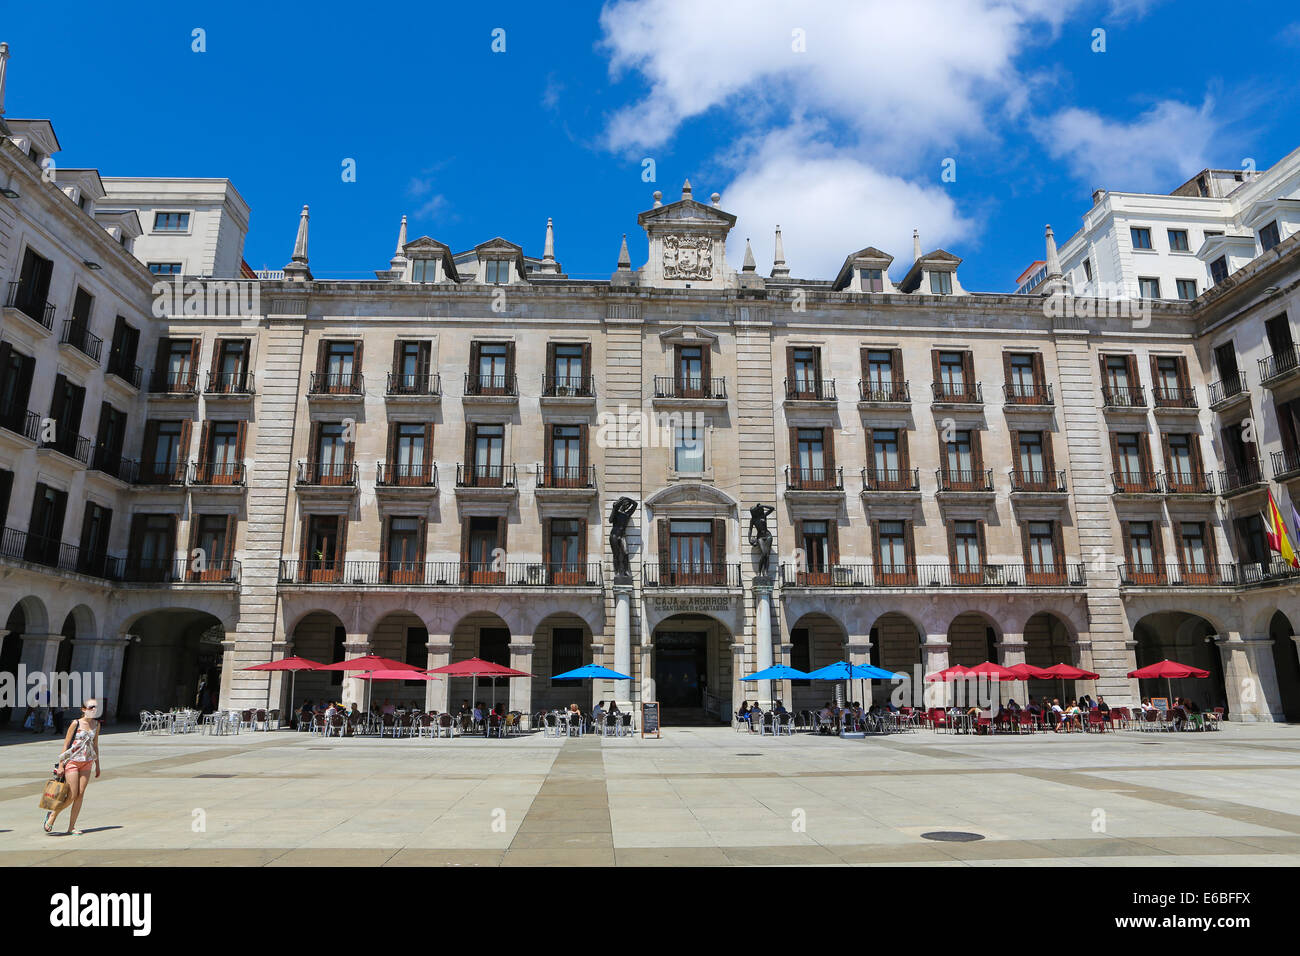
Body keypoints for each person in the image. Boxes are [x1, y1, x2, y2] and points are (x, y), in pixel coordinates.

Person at [46, 697, 101, 835]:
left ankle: (71, 827)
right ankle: (52, 815)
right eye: (91, 707)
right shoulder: (75, 723)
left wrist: (98, 765)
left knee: (80, 795)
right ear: (83, 709)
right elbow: (66, 744)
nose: (94, 710)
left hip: (87, 762)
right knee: (72, 795)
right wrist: (60, 765)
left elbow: (95, 745)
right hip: (72, 761)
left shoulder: (97, 724)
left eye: (95, 707)